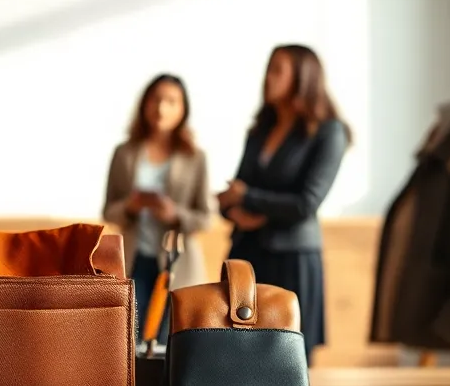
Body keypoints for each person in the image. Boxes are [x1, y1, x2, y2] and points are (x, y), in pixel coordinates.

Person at [216, 44, 349, 363]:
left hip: (293, 258)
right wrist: (232, 205)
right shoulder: (259, 131)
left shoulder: (329, 132)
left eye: (278, 70)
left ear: (302, 78)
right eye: (268, 68)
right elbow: (233, 193)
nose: (268, 78)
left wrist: (248, 199)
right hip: (246, 253)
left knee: (289, 359)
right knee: (236, 355)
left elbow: (307, 203)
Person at [103, 74, 213, 341]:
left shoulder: (195, 157)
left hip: (176, 261)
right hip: (134, 257)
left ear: (183, 109)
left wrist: (174, 213)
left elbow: (206, 218)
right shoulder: (125, 153)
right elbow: (109, 210)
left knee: (172, 339)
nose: (161, 108)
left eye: (171, 101)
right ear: (144, 104)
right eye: (156, 99)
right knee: (129, 337)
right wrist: (130, 206)